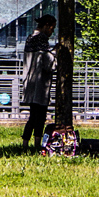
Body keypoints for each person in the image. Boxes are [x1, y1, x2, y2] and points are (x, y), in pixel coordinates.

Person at [22, 14, 57, 152]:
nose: (52, 32)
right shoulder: (42, 39)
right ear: (47, 26)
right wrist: (56, 52)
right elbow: (48, 63)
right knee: (40, 116)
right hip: (40, 85)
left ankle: (25, 144)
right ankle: (37, 145)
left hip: (30, 83)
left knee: (32, 116)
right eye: (52, 28)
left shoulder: (30, 38)